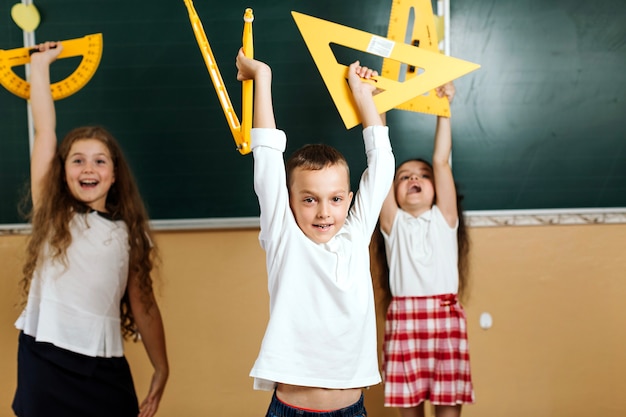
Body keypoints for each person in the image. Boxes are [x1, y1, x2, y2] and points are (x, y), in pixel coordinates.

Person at [235, 47, 395, 417]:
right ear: (288, 202)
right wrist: (262, 77)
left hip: (352, 410)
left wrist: (363, 96)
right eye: (309, 200)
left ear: (350, 199)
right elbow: (267, 158)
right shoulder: (283, 238)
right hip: (291, 410)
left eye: (336, 199)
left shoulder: (354, 237)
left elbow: (383, 164)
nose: (324, 212)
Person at [12, 41, 169, 417]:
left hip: (101, 362)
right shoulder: (54, 216)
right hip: (43, 356)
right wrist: (40, 65)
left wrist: (162, 367)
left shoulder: (129, 234)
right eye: (77, 160)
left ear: (114, 175)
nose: (88, 169)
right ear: (61, 171)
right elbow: (45, 132)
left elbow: (144, 304)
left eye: (99, 161)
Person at [376, 82, 474, 417]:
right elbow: (381, 162)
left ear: (436, 186)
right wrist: (379, 107)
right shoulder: (393, 223)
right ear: (393, 191)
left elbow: (441, 160)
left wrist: (444, 108)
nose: (413, 179)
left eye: (422, 175)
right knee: (410, 411)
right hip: (405, 321)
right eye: (403, 177)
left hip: (445, 320)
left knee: (448, 410)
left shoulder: (444, 218)